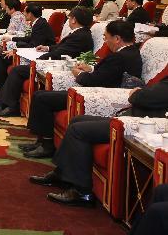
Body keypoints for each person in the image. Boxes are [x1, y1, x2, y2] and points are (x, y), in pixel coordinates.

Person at [29, 75, 168, 208]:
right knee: (77, 120)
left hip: (139, 126)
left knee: (79, 130)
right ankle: (63, 174)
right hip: (132, 120)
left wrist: (137, 93)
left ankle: (82, 192)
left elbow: (145, 96)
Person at [22, 20, 143, 158]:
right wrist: (90, 68)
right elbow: (109, 73)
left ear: (117, 39)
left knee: (42, 98)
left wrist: (78, 73)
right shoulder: (130, 53)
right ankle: (41, 141)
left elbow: (93, 80)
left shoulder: (119, 57)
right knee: (41, 95)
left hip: (97, 95)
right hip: (98, 89)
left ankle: (47, 145)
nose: (105, 41)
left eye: (106, 37)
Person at [0, 7, 94, 117]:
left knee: (17, 70)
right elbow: (61, 48)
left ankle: (9, 105)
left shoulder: (80, 36)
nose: (68, 21)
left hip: (59, 65)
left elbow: (61, 53)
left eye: (69, 18)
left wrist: (39, 60)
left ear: (74, 20)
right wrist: (48, 48)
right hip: (56, 61)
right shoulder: (80, 33)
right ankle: (3, 102)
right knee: (15, 67)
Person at [0, 4, 55, 98]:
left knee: (2, 56)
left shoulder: (41, 24)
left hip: (39, 55)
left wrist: (16, 49)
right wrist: (13, 39)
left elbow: (34, 45)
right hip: (33, 51)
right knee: (1, 55)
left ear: (30, 14)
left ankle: (0, 89)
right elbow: (30, 39)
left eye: (25, 12)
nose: (23, 14)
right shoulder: (38, 22)